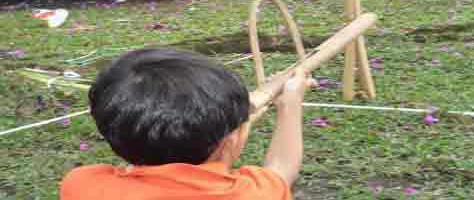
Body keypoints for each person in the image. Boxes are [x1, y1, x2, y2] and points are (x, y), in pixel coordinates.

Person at [59, 47, 315, 200]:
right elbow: (281, 170)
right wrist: (290, 104)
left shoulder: (81, 185)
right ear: (230, 142)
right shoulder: (251, 194)